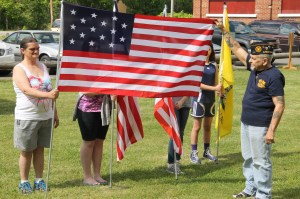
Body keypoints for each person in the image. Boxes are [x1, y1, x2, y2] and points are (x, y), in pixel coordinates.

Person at [216, 21, 285, 199]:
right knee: (248, 158)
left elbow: (279, 104)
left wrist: (271, 131)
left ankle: (263, 194)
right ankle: (250, 188)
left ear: (265, 60)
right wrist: (224, 31)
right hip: (246, 122)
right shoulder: (256, 67)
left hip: (261, 125)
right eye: (252, 58)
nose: (251, 61)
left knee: (261, 161)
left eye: (254, 59)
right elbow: (237, 48)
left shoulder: (274, 76)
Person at [12, 37, 59, 194]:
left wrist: (55, 113)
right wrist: (49, 96)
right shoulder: (19, 69)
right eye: (32, 49)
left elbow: (49, 90)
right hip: (27, 117)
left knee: (40, 150)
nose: (36, 51)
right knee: (26, 151)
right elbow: (27, 89)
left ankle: (39, 180)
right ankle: (24, 182)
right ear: (22, 50)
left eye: (37, 48)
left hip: (45, 116)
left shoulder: (43, 67)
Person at [190, 43, 222, 164]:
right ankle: (193, 152)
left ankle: (206, 150)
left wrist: (219, 89)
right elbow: (197, 84)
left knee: (207, 127)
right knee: (197, 127)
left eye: (209, 48)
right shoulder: (197, 65)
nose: (206, 51)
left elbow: (215, 82)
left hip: (211, 100)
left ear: (211, 51)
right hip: (199, 99)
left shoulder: (214, 65)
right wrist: (214, 88)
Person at [73, 93, 115, 185]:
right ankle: (87, 176)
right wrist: (108, 90)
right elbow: (87, 92)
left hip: (104, 109)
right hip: (87, 109)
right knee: (88, 142)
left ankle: (97, 175)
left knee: (99, 141)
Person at [166, 96, 192, 174]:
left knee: (180, 133)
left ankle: (177, 161)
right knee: (175, 133)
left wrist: (181, 101)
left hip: (186, 103)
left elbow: (190, 87)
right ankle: (171, 163)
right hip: (173, 103)